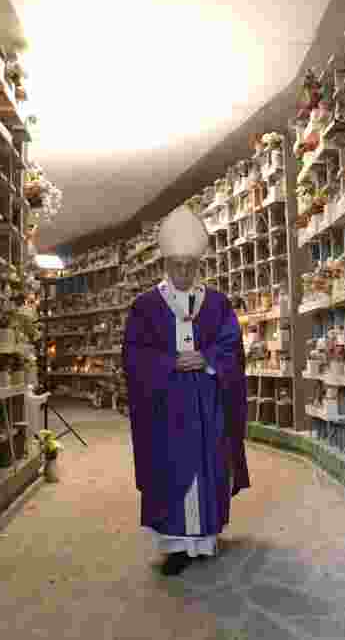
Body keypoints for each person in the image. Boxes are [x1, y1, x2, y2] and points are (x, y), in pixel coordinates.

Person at [122, 206, 250, 576]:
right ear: (165, 264)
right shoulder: (146, 306)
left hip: (208, 404)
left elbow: (231, 346)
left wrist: (207, 358)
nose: (183, 273)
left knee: (209, 466)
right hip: (167, 407)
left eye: (189, 266)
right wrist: (170, 362)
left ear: (198, 265)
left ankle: (205, 538)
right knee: (171, 469)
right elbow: (134, 354)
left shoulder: (217, 303)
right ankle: (176, 547)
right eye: (176, 265)